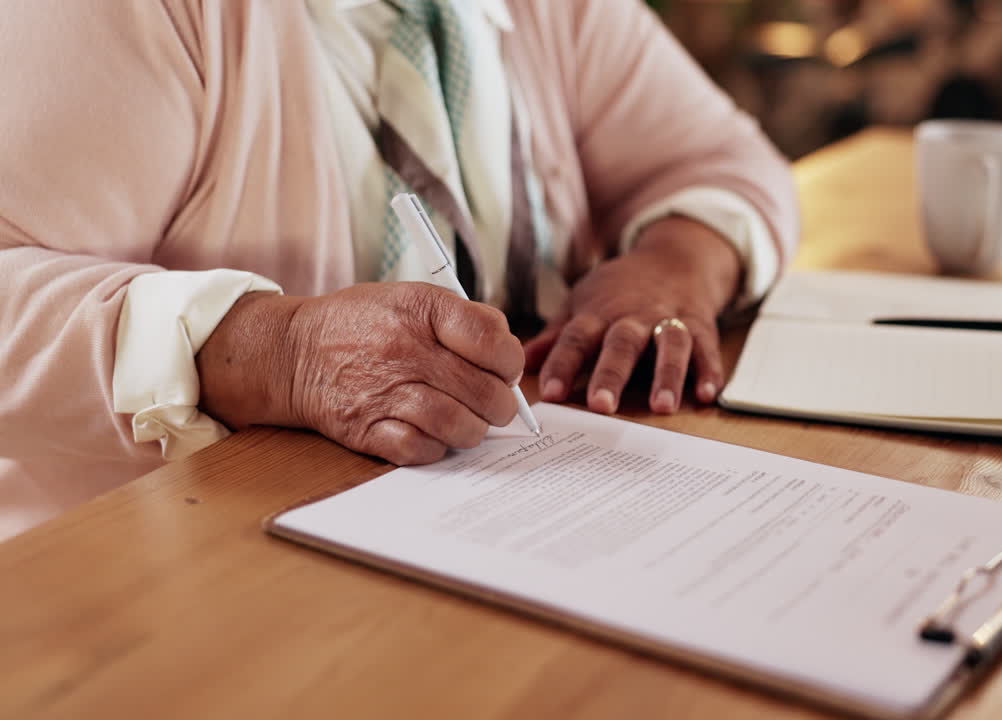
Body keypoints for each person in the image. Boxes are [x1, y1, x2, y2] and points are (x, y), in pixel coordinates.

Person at [0, 0, 798, 540]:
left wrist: (675, 262)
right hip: (161, 577)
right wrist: (278, 354)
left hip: (531, 531)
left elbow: (724, 158)